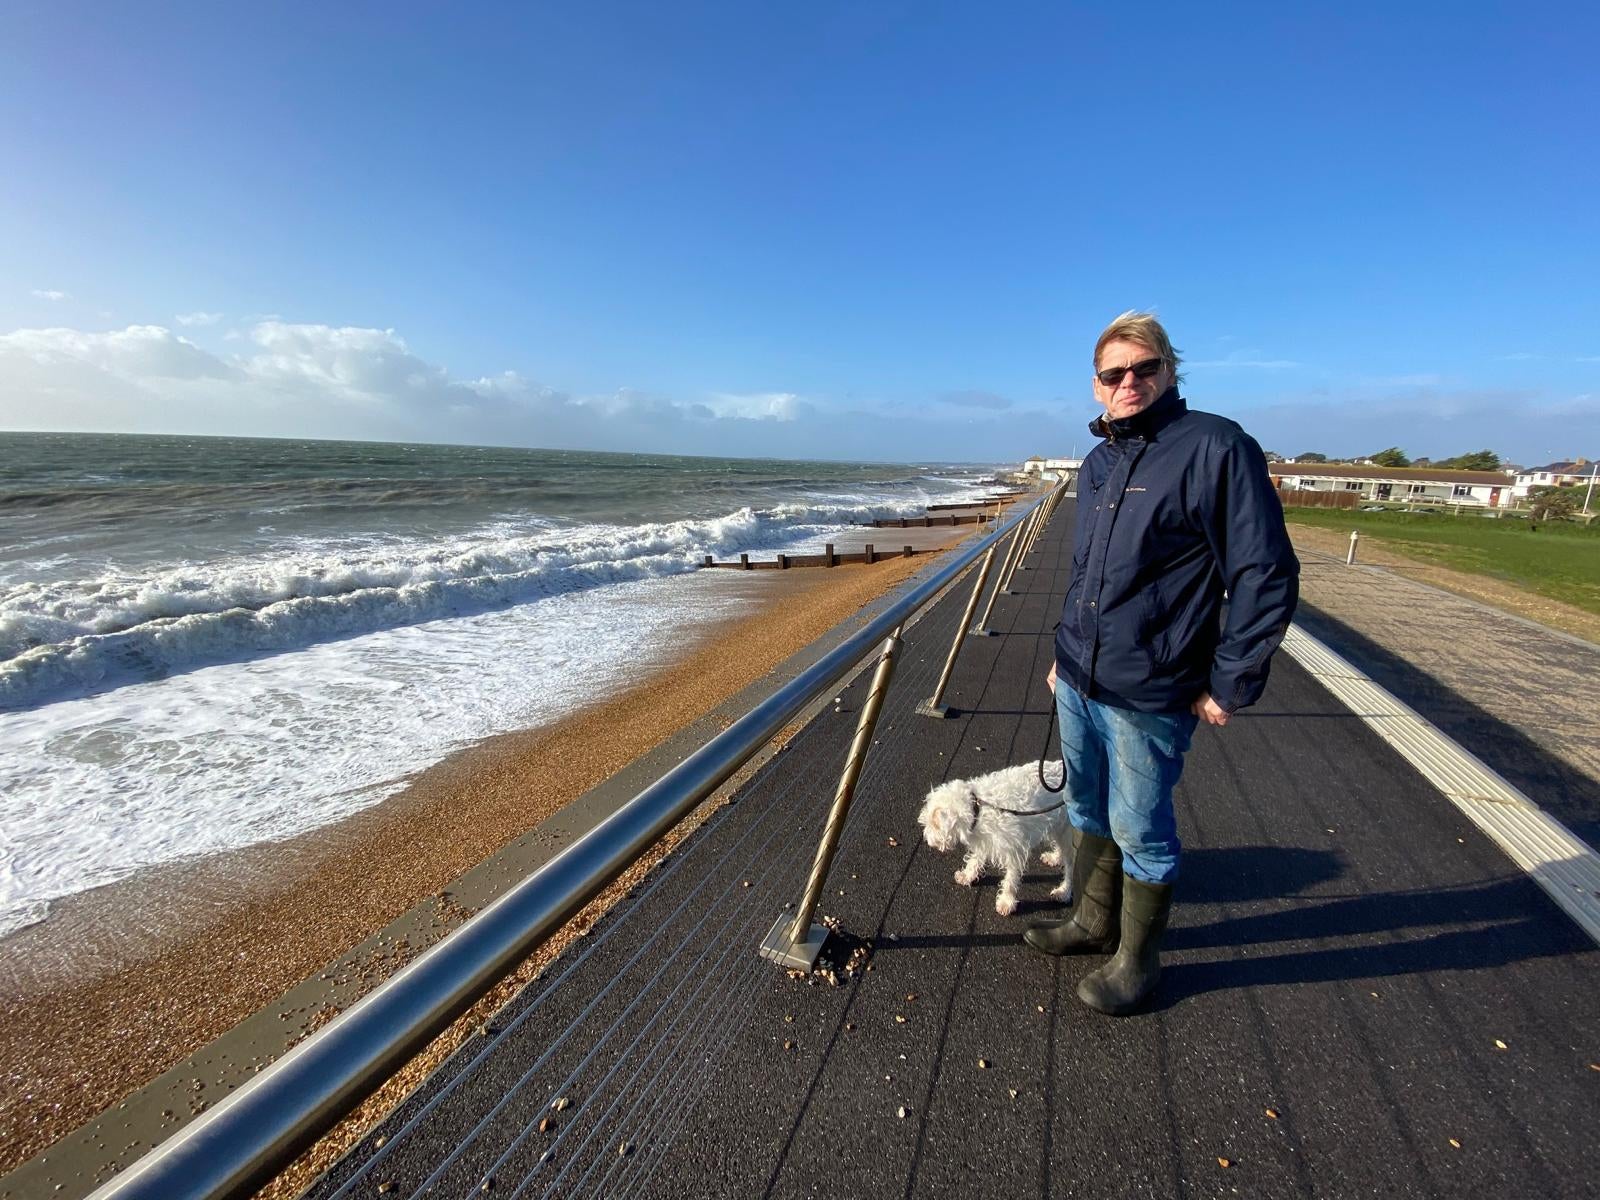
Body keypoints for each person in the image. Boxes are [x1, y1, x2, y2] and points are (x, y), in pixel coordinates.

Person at [1024, 311, 1299, 1015]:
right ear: (1096, 387)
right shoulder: (1097, 463)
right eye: (1114, 374)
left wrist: (1229, 681)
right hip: (1081, 678)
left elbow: (1265, 571)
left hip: (1153, 687)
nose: (1129, 383)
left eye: (1143, 369)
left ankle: (1138, 965)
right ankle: (1091, 923)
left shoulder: (1215, 447)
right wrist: (1064, 654)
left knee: (1140, 825)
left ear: (1169, 370)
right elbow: (1088, 572)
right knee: (1086, 806)